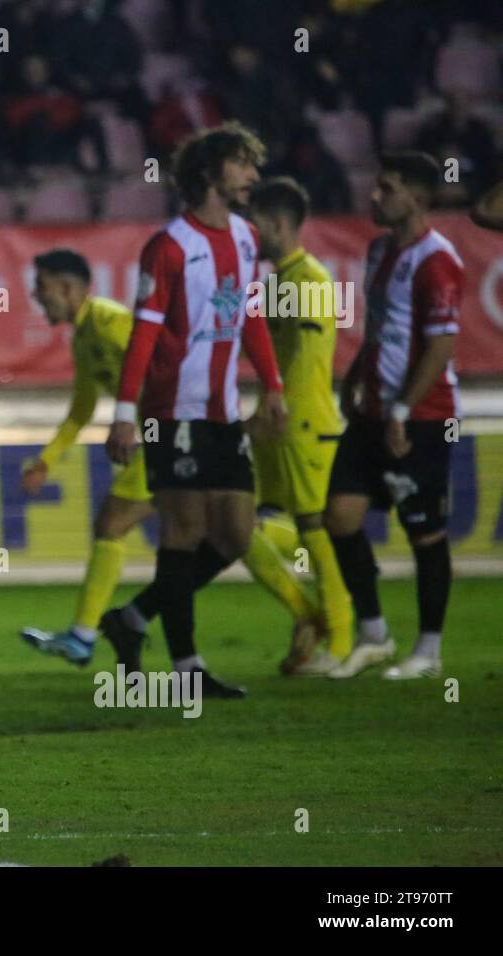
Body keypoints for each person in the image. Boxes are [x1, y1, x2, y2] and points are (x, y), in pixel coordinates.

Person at [104, 122, 287, 699]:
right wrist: (124, 413)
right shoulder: (169, 245)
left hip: (223, 412)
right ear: (210, 173)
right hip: (172, 411)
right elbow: (143, 333)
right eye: (242, 164)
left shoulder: (246, 237)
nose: (253, 176)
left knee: (234, 536)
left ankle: (132, 618)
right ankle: (187, 669)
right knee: (183, 531)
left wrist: (273, 386)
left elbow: (249, 315)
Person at [324, 152, 464, 680]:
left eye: (386, 188)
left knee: (424, 532)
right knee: (339, 515)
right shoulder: (379, 249)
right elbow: (381, 329)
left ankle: (429, 651)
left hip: (422, 416)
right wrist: (357, 379)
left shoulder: (438, 260)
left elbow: (440, 346)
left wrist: (403, 410)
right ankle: (375, 634)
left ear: (417, 196)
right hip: (373, 412)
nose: (374, 196)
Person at [16, 249, 152, 666]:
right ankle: (316, 614)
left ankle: (83, 635)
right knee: (232, 535)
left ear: (68, 288)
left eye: (42, 289)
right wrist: (46, 460)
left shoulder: (111, 322)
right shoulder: (84, 336)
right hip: (158, 437)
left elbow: (157, 364)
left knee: (111, 524)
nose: (38, 298)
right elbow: (81, 410)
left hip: (168, 434)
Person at [241, 177, 353, 675]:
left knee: (314, 527)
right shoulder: (276, 283)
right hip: (280, 420)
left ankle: (342, 639)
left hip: (301, 421)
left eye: (257, 222)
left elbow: (306, 359)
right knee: (244, 528)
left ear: (279, 224)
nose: (250, 231)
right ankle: (311, 618)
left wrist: (279, 404)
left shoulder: (307, 279)